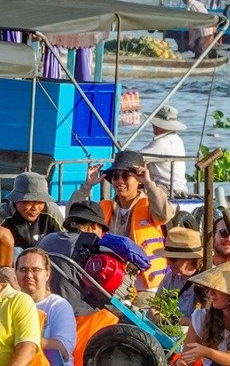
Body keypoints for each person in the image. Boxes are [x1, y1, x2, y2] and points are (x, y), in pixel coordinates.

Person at [80, 151, 166, 287]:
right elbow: (74, 217)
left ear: (139, 180)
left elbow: (164, 214)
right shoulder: (104, 206)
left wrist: (149, 183)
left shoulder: (150, 206)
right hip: (109, 276)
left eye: (125, 176)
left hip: (143, 282)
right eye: (115, 177)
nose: (120, 181)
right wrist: (87, 186)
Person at [14, 248, 77, 366]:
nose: (29, 275)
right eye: (23, 270)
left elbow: (64, 348)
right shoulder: (10, 304)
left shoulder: (59, 306)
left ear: (47, 274)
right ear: (15, 273)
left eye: (35, 269)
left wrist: (25, 344)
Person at [0, 171, 61, 252]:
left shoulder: (52, 211)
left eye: (41, 202)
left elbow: (64, 241)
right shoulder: (2, 216)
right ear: (16, 199)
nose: (35, 208)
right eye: (29, 201)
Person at [140, 105, 192, 198]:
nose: (153, 126)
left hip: (166, 188)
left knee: (130, 191)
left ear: (159, 126)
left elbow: (135, 157)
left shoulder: (162, 143)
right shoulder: (177, 139)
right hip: (179, 187)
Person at [160, 225, 204, 292]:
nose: (168, 263)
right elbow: (157, 301)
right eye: (167, 258)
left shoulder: (209, 279)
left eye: (172, 259)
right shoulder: (169, 278)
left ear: (190, 259)